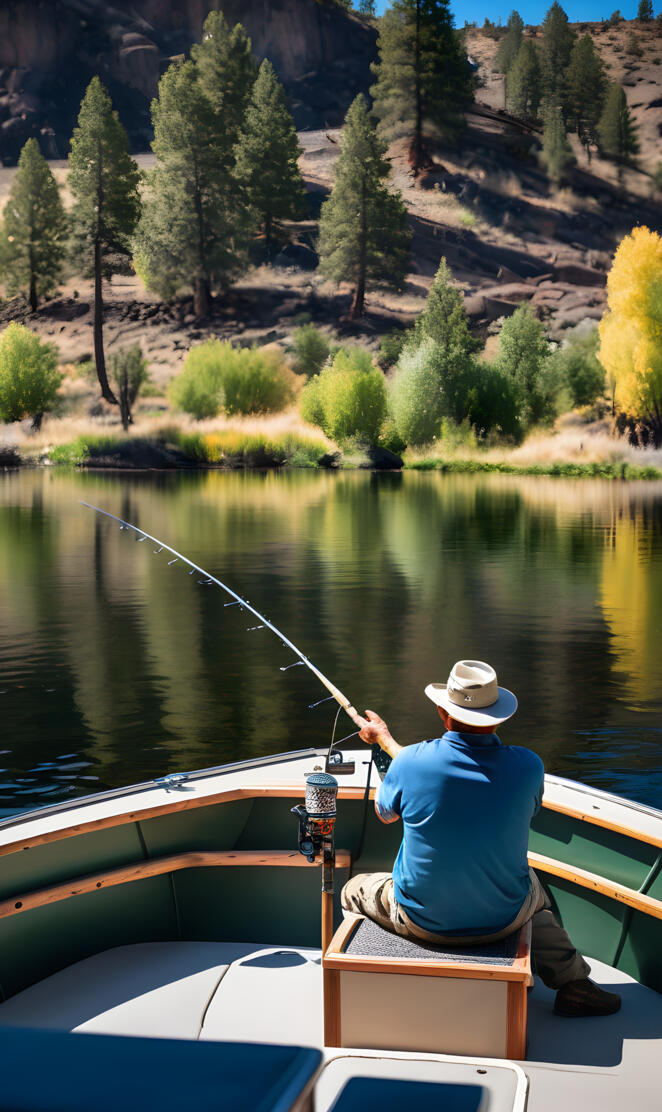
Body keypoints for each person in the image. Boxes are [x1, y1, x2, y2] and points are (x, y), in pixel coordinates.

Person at [342, 659, 621, 1018]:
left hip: (420, 921)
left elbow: (386, 813)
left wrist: (384, 748)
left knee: (353, 890)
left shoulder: (409, 763)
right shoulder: (528, 766)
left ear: (443, 714)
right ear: (498, 718)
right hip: (502, 920)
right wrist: (386, 739)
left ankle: (365, 986)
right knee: (533, 889)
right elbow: (527, 807)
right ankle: (574, 983)